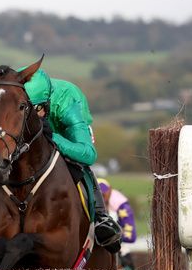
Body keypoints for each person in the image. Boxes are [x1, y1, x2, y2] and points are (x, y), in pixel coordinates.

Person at [20, 68, 123, 253]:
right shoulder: (15, 97)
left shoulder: (68, 101)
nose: (32, 118)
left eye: (36, 110)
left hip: (64, 128)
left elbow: (88, 155)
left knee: (75, 163)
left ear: (46, 103)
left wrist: (54, 138)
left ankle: (101, 217)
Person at [98, 178, 138, 270]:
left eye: (104, 193)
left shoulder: (121, 205)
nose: (102, 196)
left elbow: (130, 235)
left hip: (117, 244)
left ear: (110, 190)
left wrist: (116, 238)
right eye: (100, 194)